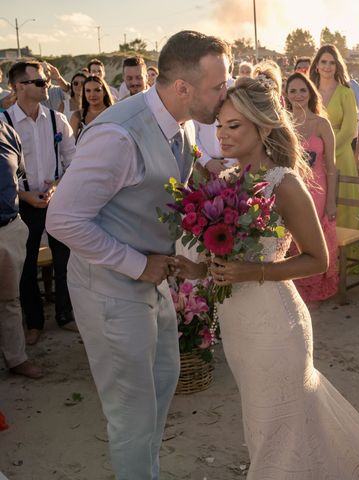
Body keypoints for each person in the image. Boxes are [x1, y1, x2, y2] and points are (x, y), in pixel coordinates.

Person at [174, 74, 359, 480]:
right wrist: (197, 268)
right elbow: (225, 258)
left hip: (275, 325)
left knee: (280, 423)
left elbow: (318, 259)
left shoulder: (284, 182)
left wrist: (255, 271)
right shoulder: (225, 181)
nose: (222, 135)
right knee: (266, 423)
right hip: (238, 326)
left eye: (234, 126)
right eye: (220, 126)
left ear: (263, 127)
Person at [46, 31, 231, 479]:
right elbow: (63, 220)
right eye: (218, 86)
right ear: (183, 87)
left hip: (153, 282)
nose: (225, 95)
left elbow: (167, 181)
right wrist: (138, 264)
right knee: (131, 415)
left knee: (163, 386)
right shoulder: (117, 135)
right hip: (110, 288)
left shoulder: (182, 123)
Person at [3, 61, 77, 346]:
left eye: (46, 81)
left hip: (56, 202)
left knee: (64, 260)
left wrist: (58, 186)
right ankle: (33, 322)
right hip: (21, 205)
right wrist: (25, 196)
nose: (47, 85)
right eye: (40, 82)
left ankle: (65, 314)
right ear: (19, 86)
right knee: (26, 265)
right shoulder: (4, 123)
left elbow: (74, 161)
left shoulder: (57, 120)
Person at [285, 71, 338, 304]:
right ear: (286, 95)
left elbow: (332, 166)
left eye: (302, 90)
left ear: (310, 93)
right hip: (292, 186)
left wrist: (332, 200)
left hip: (318, 188)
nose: (298, 95)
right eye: (293, 90)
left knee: (313, 226)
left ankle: (314, 285)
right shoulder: (283, 125)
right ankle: (294, 285)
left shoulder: (321, 123)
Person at [0, 121, 43, 379]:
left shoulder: (7, 131)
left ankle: (16, 359)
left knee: (9, 300)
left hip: (9, 227)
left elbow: (17, 179)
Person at [310, 44, 359, 229]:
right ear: (316, 65)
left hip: (341, 157)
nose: (327, 66)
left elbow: (349, 130)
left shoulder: (346, 93)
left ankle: (347, 253)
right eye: (323, 62)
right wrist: (316, 152)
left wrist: (326, 151)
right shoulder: (309, 93)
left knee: (344, 206)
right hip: (314, 159)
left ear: (337, 66)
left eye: (332, 62)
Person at [69, 75, 115, 139]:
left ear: (104, 92)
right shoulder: (78, 115)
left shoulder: (113, 112)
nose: (92, 94)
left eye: (97, 90)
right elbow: (71, 143)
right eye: (88, 90)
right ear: (84, 93)